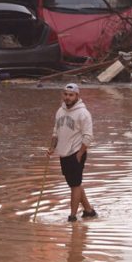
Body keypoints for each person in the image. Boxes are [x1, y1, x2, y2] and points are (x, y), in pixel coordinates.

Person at [47, 83, 96, 222]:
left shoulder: (83, 113)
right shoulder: (60, 111)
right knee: (75, 183)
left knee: (74, 185)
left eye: (71, 95)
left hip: (76, 153)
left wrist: (79, 154)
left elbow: (88, 136)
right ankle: (89, 211)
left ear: (77, 96)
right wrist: (52, 148)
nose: (67, 97)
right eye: (66, 94)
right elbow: (56, 132)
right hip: (63, 153)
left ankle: (72, 217)